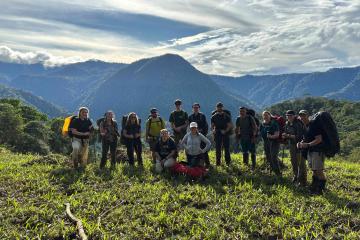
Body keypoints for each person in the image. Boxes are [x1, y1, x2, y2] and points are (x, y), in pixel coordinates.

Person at [297, 110, 327, 194]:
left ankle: (320, 189)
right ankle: (314, 187)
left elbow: (319, 139)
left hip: (318, 151)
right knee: (314, 170)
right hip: (310, 151)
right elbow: (306, 138)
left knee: (319, 170)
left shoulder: (314, 125)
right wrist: (301, 143)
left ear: (308, 116)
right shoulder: (305, 126)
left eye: (304, 115)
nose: (302, 117)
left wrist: (308, 145)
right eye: (301, 116)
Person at [283, 110, 307, 186]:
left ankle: (302, 180)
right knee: (293, 161)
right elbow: (286, 133)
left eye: (290, 115)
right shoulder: (287, 124)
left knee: (301, 163)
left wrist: (288, 136)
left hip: (300, 145)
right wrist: (285, 136)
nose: (289, 117)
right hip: (292, 145)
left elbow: (299, 136)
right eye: (287, 116)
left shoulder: (298, 124)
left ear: (294, 116)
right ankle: (295, 175)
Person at [188, 103, 210, 167]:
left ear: (199, 108)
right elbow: (190, 127)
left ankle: (207, 163)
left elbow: (205, 126)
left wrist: (203, 134)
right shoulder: (190, 117)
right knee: (196, 149)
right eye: (194, 107)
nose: (195, 109)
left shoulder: (202, 116)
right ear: (192, 108)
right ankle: (196, 163)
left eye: (197, 107)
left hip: (201, 135)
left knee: (203, 149)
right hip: (194, 135)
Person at [260, 111, 281, 176]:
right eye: (264, 115)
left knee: (274, 157)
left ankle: (278, 173)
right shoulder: (262, 124)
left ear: (270, 115)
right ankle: (273, 171)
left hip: (274, 142)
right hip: (266, 143)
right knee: (269, 157)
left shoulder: (274, 123)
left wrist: (271, 136)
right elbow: (260, 132)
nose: (265, 116)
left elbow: (277, 134)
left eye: (266, 115)